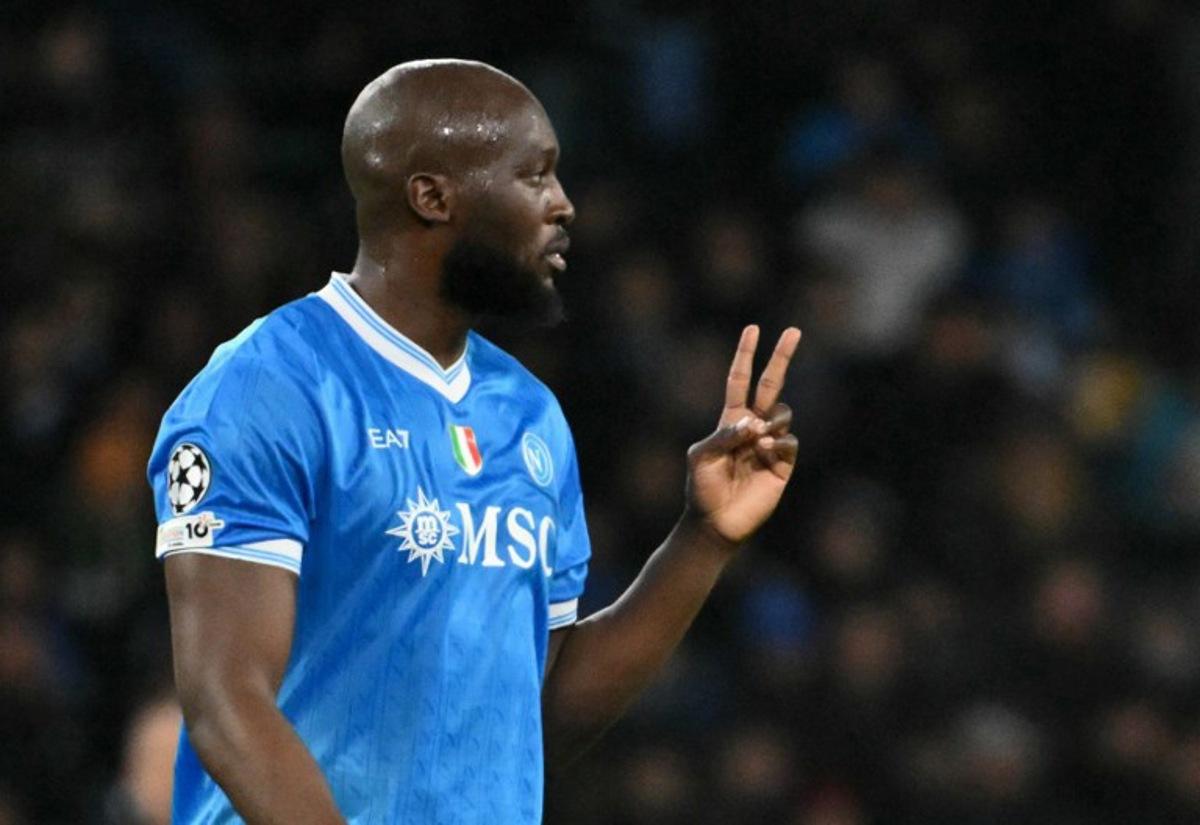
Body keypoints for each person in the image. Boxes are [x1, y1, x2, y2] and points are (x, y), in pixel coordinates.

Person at [148, 59, 801, 824]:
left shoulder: (529, 415)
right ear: (432, 196)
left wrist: (702, 540)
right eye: (536, 175)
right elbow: (229, 701)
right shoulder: (268, 389)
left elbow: (537, 711)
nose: (565, 205)